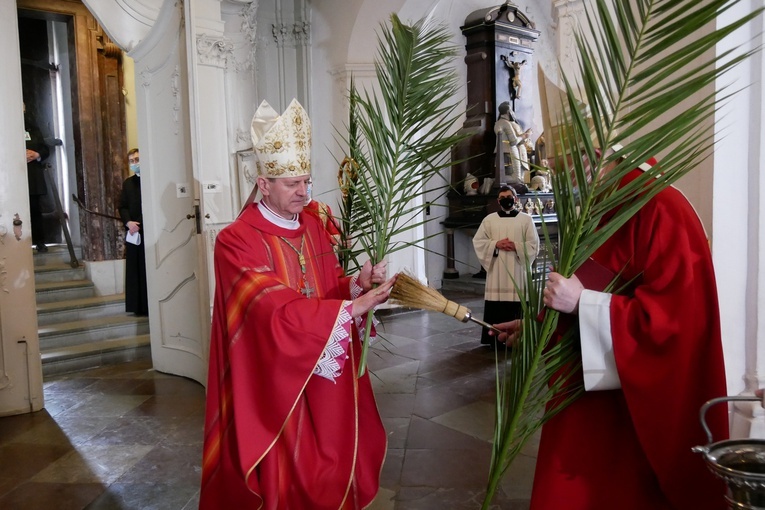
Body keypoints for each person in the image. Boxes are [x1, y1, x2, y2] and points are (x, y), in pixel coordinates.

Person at [492, 148, 729, 509]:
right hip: (585, 396)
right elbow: (596, 279)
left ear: (597, 152)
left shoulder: (662, 207)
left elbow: (676, 325)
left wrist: (581, 303)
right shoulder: (603, 203)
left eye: (563, 154)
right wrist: (537, 327)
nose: (551, 165)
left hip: (631, 416)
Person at [200, 98, 395, 509]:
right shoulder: (236, 240)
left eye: (307, 181)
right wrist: (348, 312)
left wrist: (354, 288)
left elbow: (323, 288)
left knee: (329, 463)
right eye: (293, 184)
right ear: (264, 182)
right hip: (272, 383)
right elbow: (267, 309)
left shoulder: (313, 226)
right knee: (285, 478)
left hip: (321, 372)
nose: (304, 192)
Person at [472, 185, 539, 345]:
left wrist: (516, 246)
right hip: (497, 270)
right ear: (498, 201)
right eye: (502, 198)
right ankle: (494, 340)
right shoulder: (489, 220)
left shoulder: (526, 220)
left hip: (518, 269)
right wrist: (496, 244)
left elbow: (533, 244)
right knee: (497, 304)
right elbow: (478, 241)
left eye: (509, 197)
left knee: (518, 301)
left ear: (515, 199)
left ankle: (520, 340)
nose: (506, 201)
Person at [118, 148, 149, 316]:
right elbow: (122, 206)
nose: (135, 163)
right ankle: (136, 306)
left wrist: (141, 224)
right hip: (133, 232)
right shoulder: (128, 183)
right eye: (131, 161)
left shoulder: (151, 180)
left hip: (147, 230)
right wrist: (129, 222)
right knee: (134, 268)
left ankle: (148, 304)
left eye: (137, 159)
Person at [24, 103, 50, 252]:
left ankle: (39, 241)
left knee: (34, 209)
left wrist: (37, 154)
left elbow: (44, 148)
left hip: (32, 176)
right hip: (13, 178)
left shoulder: (33, 129)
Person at [495, 102, 526, 183]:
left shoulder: (497, 123)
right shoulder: (506, 123)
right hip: (510, 151)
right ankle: (492, 181)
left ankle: (494, 181)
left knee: (504, 174)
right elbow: (513, 141)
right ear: (508, 112)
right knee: (517, 178)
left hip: (500, 152)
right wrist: (524, 136)